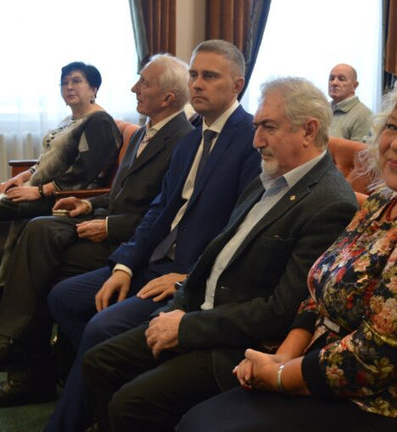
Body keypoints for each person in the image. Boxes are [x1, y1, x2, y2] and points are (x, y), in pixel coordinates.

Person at [177, 78, 397, 431]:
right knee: (200, 416)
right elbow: (319, 291)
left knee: (206, 424)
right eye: (392, 128)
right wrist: (283, 356)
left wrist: (280, 376)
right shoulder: (383, 202)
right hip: (333, 364)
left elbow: (376, 357)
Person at [80, 76, 358, 432]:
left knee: (131, 404)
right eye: (256, 127)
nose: (256, 141)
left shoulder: (330, 204)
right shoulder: (269, 176)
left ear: (309, 130)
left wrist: (187, 328)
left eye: (269, 128)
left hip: (238, 345)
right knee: (99, 362)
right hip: (199, 312)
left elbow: (281, 311)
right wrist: (176, 308)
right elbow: (218, 254)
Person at [0, 54, 194, 405]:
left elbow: (165, 215)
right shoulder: (144, 132)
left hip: (130, 242)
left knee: (39, 253)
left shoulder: (184, 140)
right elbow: (120, 193)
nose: (134, 88)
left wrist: (107, 223)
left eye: (144, 83)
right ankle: (18, 354)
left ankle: (20, 359)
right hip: (104, 219)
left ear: (168, 97)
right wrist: (88, 205)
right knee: (37, 233)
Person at [43, 39, 262, 431]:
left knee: (100, 328)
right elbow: (160, 210)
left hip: (187, 274)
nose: (197, 84)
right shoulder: (192, 138)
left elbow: (241, 228)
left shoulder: (251, 140)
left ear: (237, 85)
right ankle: (105, 396)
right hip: (153, 261)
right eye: (194, 75)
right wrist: (125, 265)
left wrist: (189, 276)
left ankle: (71, 422)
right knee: (64, 297)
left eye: (210, 76)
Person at [0, 61, 121, 317]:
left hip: (70, 197)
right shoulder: (70, 120)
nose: (69, 87)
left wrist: (40, 191)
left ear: (94, 88)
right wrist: (22, 178)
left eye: (76, 81)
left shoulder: (99, 122)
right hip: (46, 188)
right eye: (64, 83)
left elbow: (84, 171)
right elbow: (44, 161)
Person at [328, 63, 373, 141]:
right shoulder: (323, 108)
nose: (334, 83)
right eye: (331, 78)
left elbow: (360, 148)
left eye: (341, 79)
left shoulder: (364, 115)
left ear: (354, 86)